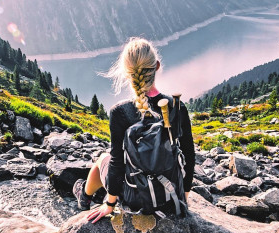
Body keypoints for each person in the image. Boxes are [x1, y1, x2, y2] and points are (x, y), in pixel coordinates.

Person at [74, 38, 195, 222]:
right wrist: (183, 197)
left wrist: (110, 204)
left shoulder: (120, 112)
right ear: (157, 66)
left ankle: (84, 197)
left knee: (103, 159)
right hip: (171, 196)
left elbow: (117, 163)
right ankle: (84, 194)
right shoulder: (176, 106)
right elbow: (189, 156)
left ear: (127, 73)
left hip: (136, 200)